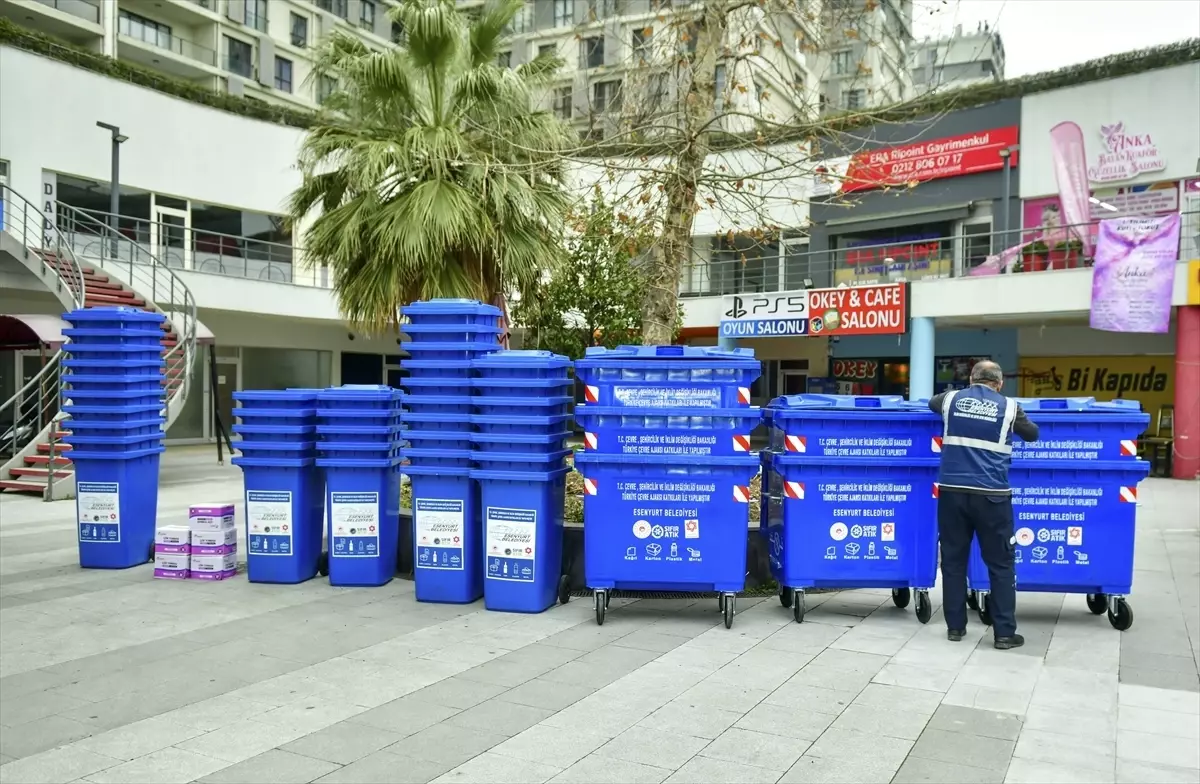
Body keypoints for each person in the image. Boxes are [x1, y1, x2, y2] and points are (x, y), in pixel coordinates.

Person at [928, 360, 1039, 650]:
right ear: (999, 384)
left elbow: (932, 403)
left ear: (971, 380)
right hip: (992, 496)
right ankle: (1004, 633)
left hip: (952, 493)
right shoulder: (1010, 407)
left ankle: (955, 627)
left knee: (953, 561)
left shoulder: (950, 399)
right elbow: (1032, 434)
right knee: (1001, 564)